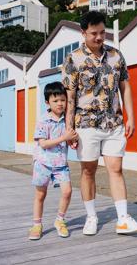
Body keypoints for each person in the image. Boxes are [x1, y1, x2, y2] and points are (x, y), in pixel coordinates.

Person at [61, 11, 137, 235]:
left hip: (113, 122)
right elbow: (70, 96)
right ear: (83, 33)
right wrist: (69, 128)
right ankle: (91, 216)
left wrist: (131, 117)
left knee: (116, 169)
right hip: (86, 123)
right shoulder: (73, 59)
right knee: (88, 170)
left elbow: (125, 88)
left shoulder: (116, 56)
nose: (99, 37)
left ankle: (123, 219)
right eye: (94, 33)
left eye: (102, 32)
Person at [29, 81, 78, 240]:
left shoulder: (68, 120)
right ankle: (37, 225)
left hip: (61, 165)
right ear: (47, 102)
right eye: (55, 100)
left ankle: (59, 220)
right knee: (40, 195)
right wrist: (64, 137)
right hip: (43, 163)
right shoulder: (43, 121)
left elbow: (69, 140)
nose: (60, 104)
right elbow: (43, 143)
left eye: (63, 100)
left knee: (67, 191)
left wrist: (72, 141)